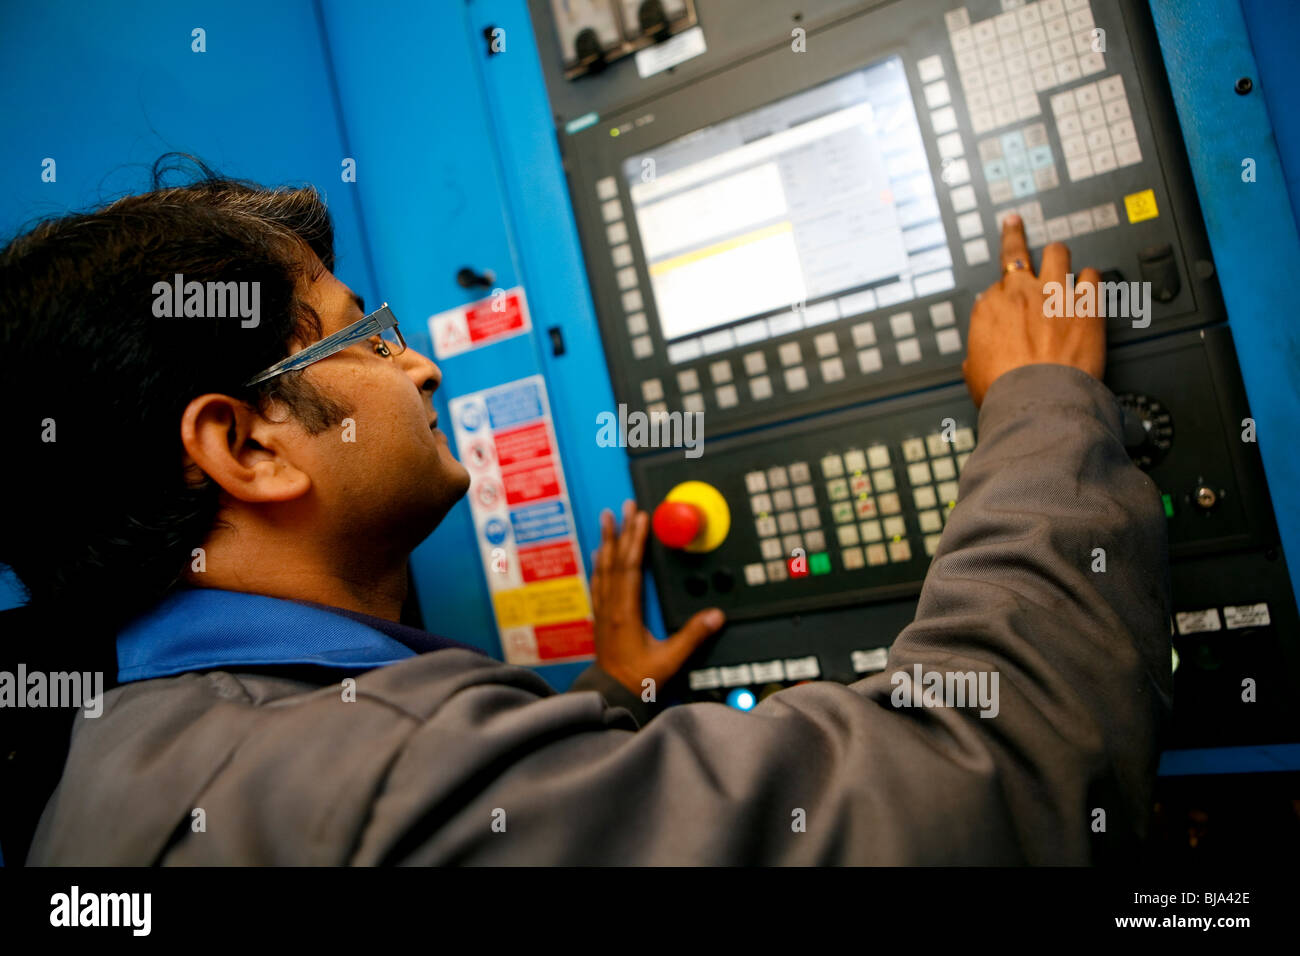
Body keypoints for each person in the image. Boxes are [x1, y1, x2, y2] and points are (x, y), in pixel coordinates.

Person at [2, 164, 1170, 865]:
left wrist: (604, 713)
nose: (420, 371)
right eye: (368, 334)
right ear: (247, 446)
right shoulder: (382, 773)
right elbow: (990, 786)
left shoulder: (118, 764)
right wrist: (1042, 400)